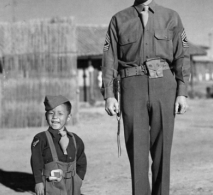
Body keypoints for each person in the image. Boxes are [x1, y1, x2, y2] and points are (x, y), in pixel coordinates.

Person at [101, 0, 190, 194]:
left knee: (162, 150)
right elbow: (109, 60)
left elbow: (182, 56)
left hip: (164, 85)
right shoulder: (118, 19)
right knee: (137, 150)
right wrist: (109, 94)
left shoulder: (171, 16)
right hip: (132, 86)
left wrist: (182, 92)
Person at [30, 95, 87, 195]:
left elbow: (81, 160)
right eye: (51, 113)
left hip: (73, 184)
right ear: (46, 116)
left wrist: (79, 178)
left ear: (68, 117)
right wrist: (38, 182)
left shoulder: (75, 139)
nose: (55, 117)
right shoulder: (41, 139)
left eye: (60, 114)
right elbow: (36, 161)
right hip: (51, 184)